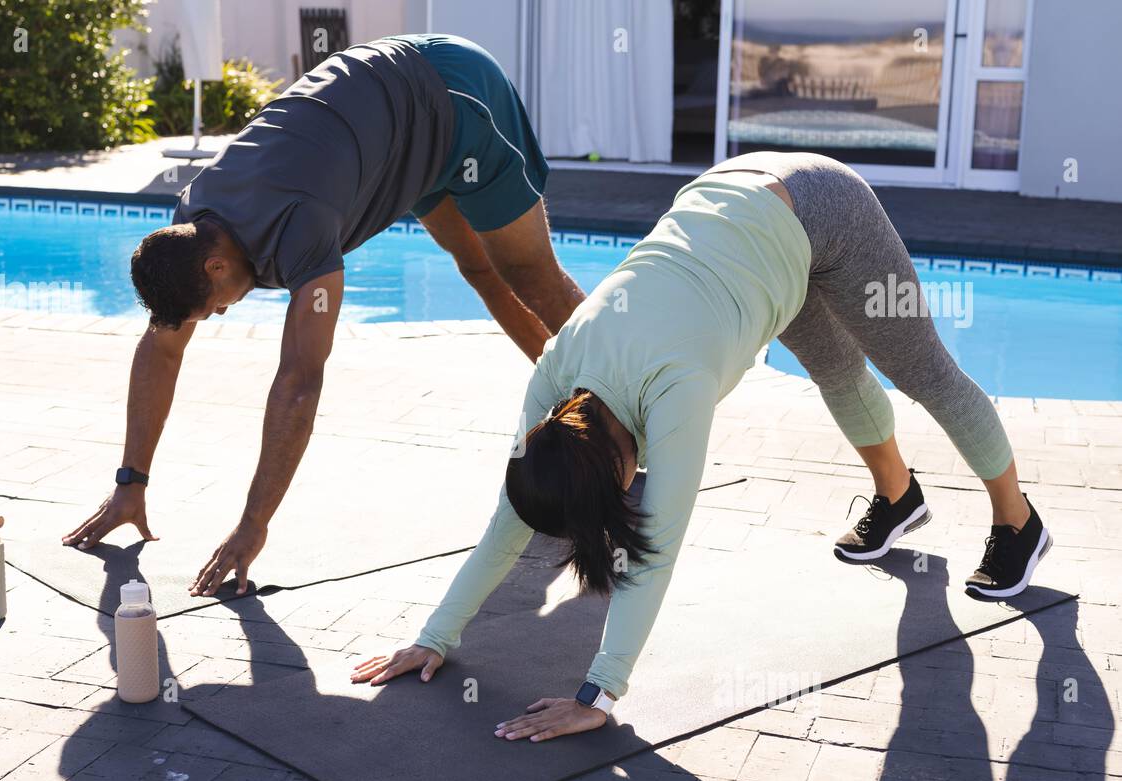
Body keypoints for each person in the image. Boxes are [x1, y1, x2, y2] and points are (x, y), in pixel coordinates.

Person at [350, 151, 1053, 742]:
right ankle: (899, 498)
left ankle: (1019, 521)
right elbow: (509, 521)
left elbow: (654, 550)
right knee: (837, 373)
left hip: (821, 207)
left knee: (922, 370)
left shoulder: (673, 392)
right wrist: (434, 635)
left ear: (620, 474)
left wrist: (598, 695)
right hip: (736, 218)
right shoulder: (556, 377)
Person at [62, 34, 585, 590]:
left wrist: (251, 525)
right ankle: (572, 391)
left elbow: (301, 380)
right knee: (477, 269)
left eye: (210, 310)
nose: (214, 317)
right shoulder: (190, 227)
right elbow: (162, 348)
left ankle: (621, 401)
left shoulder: (301, 225)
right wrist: (130, 481)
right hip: (402, 123)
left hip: (454, 95)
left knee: (527, 273)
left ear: (216, 267)